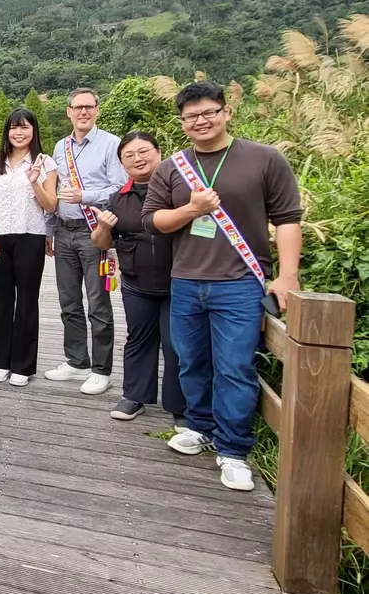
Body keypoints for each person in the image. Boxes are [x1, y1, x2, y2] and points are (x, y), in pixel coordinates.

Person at [142, 82, 302, 491]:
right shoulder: (172, 167)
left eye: (209, 112)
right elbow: (153, 221)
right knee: (190, 360)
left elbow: (287, 219)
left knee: (235, 366)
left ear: (226, 112)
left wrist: (287, 276)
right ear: (182, 123)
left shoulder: (264, 159)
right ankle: (199, 426)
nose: (201, 121)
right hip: (186, 280)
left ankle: (233, 449)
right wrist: (191, 209)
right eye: (191, 116)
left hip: (240, 284)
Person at [90, 132, 186, 427]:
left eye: (143, 152)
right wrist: (104, 227)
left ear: (159, 152)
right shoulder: (118, 199)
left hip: (178, 283)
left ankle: (179, 407)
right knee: (139, 339)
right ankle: (134, 396)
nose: (138, 159)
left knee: (176, 344)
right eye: (129, 156)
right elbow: (103, 243)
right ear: (122, 163)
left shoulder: (180, 191)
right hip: (136, 283)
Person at [47, 87, 127, 395]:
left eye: (89, 107)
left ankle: (101, 369)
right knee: (68, 301)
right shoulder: (60, 147)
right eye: (77, 107)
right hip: (64, 230)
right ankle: (77, 360)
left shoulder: (110, 144)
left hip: (95, 232)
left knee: (98, 301)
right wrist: (50, 231)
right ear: (68, 111)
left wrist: (86, 195)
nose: (83, 112)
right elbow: (55, 190)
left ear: (97, 109)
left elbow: (119, 188)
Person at [0, 109, 59, 387]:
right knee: (2, 300)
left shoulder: (45, 162)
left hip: (31, 236)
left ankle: (23, 366)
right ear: (7, 131)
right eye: (14, 127)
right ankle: (2, 361)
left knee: (27, 300)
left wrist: (34, 180)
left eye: (25, 127)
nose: (19, 132)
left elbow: (51, 205)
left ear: (33, 131)